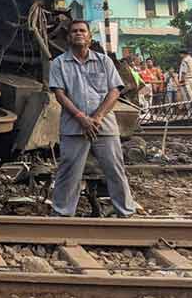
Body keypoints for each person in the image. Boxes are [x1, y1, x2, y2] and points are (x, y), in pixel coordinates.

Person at [49, 20, 136, 218]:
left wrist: (97, 117)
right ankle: (61, 214)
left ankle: (126, 212)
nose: (78, 34)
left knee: (114, 168)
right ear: (68, 37)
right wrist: (81, 118)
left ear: (89, 36)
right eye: (74, 31)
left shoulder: (104, 61)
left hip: (103, 125)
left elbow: (115, 91)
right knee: (69, 170)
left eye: (82, 31)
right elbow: (59, 94)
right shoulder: (59, 63)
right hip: (73, 126)